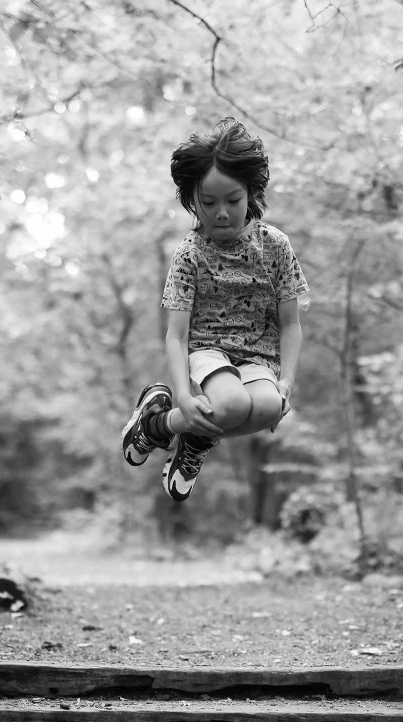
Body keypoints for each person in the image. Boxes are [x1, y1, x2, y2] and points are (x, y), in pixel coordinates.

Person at [120, 117, 310, 502]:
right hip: (208, 350)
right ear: (192, 200)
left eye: (232, 200)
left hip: (259, 356)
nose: (221, 212)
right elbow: (176, 335)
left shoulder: (274, 246)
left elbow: (291, 324)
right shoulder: (190, 254)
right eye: (208, 203)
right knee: (231, 404)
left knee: (270, 408)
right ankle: (161, 423)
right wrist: (183, 397)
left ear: (251, 193)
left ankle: (187, 435)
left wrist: (286, 380)